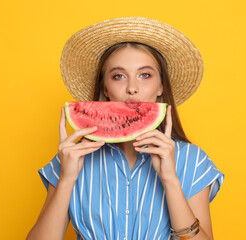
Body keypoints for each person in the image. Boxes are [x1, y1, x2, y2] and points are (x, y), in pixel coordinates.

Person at [27, 17, 224, 240]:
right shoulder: (72, 157)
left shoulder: (192, 160)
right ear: (105, 88)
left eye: (145, 75)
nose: (132, 88)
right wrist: (66, 180)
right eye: (118, 76)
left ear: (161, 86)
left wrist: (170, 179)